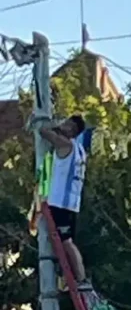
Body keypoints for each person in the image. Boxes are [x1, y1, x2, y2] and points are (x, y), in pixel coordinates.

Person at [39, 115, 90, 288]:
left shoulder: (66, 144)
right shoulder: (80, 149)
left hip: (60, 202)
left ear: (73, 130)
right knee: (62, 241)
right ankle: (69, 277)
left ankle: (81, 279)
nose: (64, 126)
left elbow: (43, 131)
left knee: (66, 241)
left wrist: (54, 124)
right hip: (71, 202)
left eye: (68, 124)